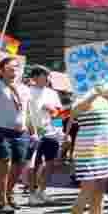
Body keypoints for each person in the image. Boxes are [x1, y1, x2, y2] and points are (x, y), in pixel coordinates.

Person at [66, 85, 108, 214]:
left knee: (100, 192)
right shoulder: (81, 94)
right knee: (87, 191)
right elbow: (75, 112)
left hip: (106, 149)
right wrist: (94, 93)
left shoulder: (106, 99)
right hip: (88, 150)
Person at [0, 51, 34, 214]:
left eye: (17, 68)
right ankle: (2, 200)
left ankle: (9, 193)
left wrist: (33, 131)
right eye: (10, 68)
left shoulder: (25, 88)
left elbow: (27, 111)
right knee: (5, 164)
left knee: (19, 166)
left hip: (22, 133)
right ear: (2, 71)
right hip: (3, 132)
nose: (15, 71)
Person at [27, 65, 63, 206]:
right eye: (44, 75)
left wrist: (59, 131)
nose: (48, 78)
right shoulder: (28, 92)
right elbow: (26, 114)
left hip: (51, 133)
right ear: (35, 78)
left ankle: (42, 191)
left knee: (50, 163)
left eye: (48, 76)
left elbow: (58, 113)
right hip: (35, 133)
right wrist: (32, 132)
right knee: (34, 165)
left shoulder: (52, 93)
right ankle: (31, 194)